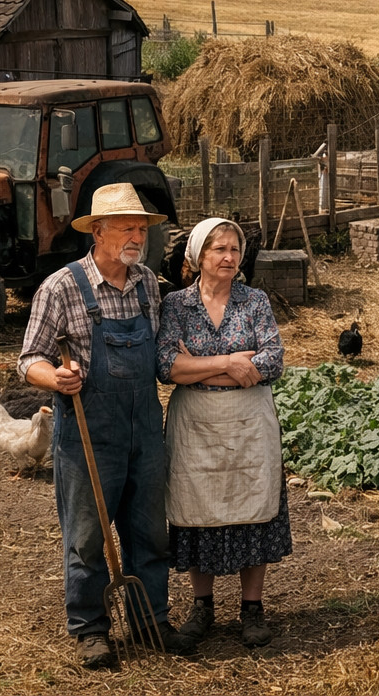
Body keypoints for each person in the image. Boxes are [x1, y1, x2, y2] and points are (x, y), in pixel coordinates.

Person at [20, 182, 196, 669]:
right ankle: (91, 629)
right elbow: (28, 358)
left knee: (149, 533)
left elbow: (158, 354)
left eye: (142, 227)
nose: (137, 236)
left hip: (145, 430)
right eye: (127, 227)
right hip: (88, 434)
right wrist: (54, 375)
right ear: (98, 232)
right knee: (86, 536)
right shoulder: (61, 287)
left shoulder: (146, 285)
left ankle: (149, 619)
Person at [158, 217, 291, 649]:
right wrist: (232, 363)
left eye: (234, 249)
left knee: (252, 502)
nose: (229, 257)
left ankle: (251, 609)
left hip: (249, 421)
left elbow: (271, 361)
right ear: (198, 257)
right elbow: (167, 367)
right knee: (199, 508)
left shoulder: (255, 302)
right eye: (219, 249)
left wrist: (200, 366)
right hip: (195, 425)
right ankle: (203, 606)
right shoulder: (177, 305)